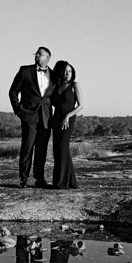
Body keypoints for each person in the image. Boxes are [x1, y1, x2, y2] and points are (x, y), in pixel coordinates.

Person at [8, 47, 55, 188]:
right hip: (29, 116)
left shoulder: (53, 75)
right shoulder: (25, 71)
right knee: (27, 148)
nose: (36, 56)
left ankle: (39, 179)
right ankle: (23, 178)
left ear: (47, 58)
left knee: (42, 150)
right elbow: (13, 91)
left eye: (40, 54)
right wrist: (18, 110)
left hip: (46, 118)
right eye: (36, 53)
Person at [50, 61, 84, 189]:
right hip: (56, 119)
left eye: (69, 71)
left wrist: (67, 116)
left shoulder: (74, 85)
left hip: (68, 119)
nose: (67, 74)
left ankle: (61, 183)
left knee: (62, 147)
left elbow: (80, 105)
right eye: (65, 71)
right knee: (58, 149)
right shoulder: (55, 87)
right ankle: (70, 181)